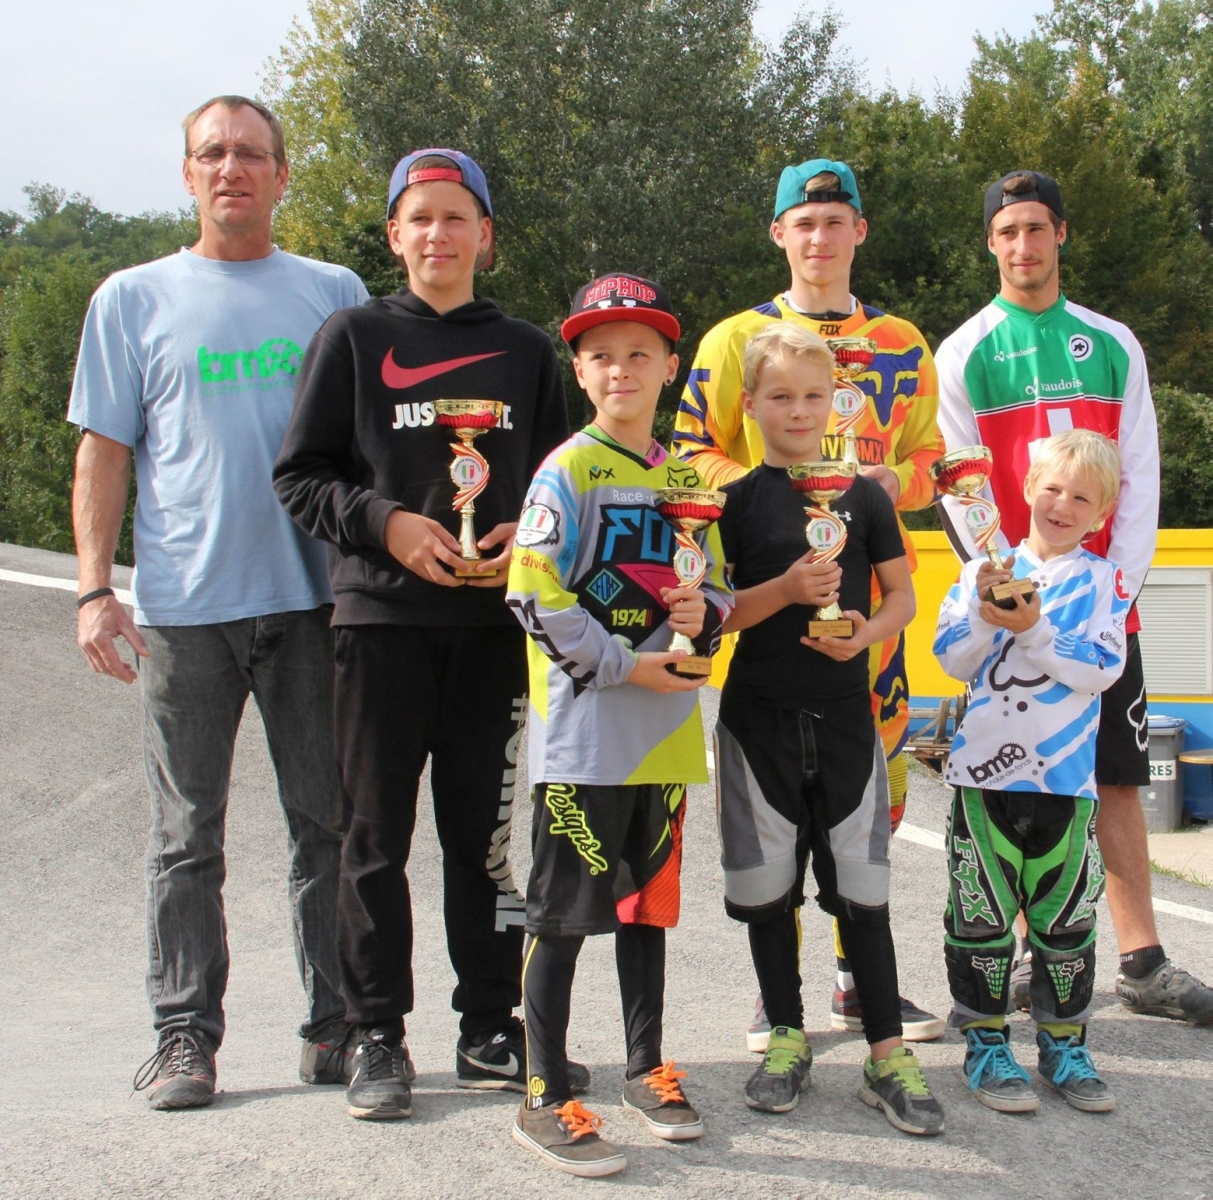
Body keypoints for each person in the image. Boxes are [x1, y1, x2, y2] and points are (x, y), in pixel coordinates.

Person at [68, 95, 369, 1109]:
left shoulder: (335, 293)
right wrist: (93, 589)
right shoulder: (131, 298)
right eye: (212, 154)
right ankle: (184, 1037)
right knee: (184, 838)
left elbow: (376, 450)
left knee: (325, 829)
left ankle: (336, 1029)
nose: (231, 168)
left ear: (284, 175)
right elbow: (103, 452)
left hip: (314, 605)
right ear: (187, 173)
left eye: (251, 153)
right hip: (184, 612)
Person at [273, 149, 574, 1121]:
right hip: (378, 628)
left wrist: (522, 545)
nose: (437, 235)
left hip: (493, 637)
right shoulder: (353, 338)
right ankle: (375, 1033)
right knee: (372, 841)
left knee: (486, 841)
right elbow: (302, 479)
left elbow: (563, 488)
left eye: (456, 217)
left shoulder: (529, 353)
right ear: (394, 236)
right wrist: (390, 525)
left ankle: (491, 1020)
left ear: (486, 236)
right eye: (419, 219)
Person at [673, 157, 945, 1045]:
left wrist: (870, 481)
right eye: (804, 221)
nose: (820, 237)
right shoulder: (729, 340)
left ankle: (851, 979)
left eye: (836, 221)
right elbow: (685, 454)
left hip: (864, 613)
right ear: (779, 234)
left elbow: (932, 459)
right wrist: (780, 489)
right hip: (766, 603)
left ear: (858, 231)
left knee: (875, 796)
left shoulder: (903, 342)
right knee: (774, 810)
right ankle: (774, 991)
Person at [935, 170, 1213, 1024]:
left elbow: (1138, 476)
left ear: (1061, 234)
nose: (1022, 246)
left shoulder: (1111, 341)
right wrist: (1000, 591)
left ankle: (1142, 960)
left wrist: (1116, 595)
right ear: (991, 243)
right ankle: (1025, 959)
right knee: (1017, 784)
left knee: (1115, 779)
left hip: (1100, 610)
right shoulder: (962, 351)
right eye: (1006, 231)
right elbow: (959, 488)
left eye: (1036, 229)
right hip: (1015, 605)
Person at [506, 273, 732, 1177]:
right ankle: (541, 1092)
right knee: (560, 914)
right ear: (579, 368)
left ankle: (645, 1068)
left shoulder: (684, 479)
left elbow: (713, 588)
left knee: (646, 912)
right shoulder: (568, 468)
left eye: (640, 351)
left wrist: (702, 611)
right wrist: (625, 663)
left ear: (671, 366)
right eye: (601, 354)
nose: (621, 367)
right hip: (583, 741)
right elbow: (533, 594)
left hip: (667, 741)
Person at [715, 323, 944, 1137]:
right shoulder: (735, 502)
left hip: (849, 717)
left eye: (814, 396)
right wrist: (782, 588)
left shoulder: (866, 494)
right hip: (757, 720)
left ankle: (886, 1053)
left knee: (862, 895)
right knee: (767, 896)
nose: (798, 410)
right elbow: (717, 616)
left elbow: (901, 601)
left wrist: (864, 634)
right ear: (750, 406)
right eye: (780, 397)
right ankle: (785, 1035)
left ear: (834, 403)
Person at [935, 429, 1127, 1113]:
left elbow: (1101, 668)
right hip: (982, 779)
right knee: (978, 916)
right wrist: (988, 615)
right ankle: (986, 1044)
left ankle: (1064, 1044)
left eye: (1081, 497)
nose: (1061, 504)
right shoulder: (980, 565)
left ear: (1100, 514)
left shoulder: (1102, 579)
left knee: (1065, 920)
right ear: (1024, 490)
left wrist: (1034, 629)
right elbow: (950, 659)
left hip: (1064, 785)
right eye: (1051, 488)